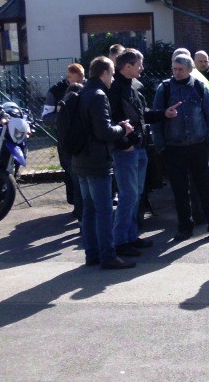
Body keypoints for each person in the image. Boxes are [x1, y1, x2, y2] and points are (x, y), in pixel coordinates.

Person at [108, 48, 180, 256]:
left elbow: (142, 115)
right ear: (128, 66)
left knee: (135, 194)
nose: (142, 68)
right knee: (128, 196)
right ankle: (120, 241)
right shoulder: (114, 89)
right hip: (127, 151)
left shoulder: (132, 86)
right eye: (139, 64)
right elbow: (109, 122)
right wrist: (124, 144)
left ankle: (131, 236)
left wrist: (164, 114)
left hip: (138, 148)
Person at [151, 54, 209, 241]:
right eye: (174, 69)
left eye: (180, 69)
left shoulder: (199, 87)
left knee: (206, 188)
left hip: (199, 146)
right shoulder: (164, 88)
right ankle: (185, 227)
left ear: (189, 70)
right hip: (173, 148)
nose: (176, 73)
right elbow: (156, 120)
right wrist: (161, 147)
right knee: (180, 191)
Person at [73, 56, 136, 269]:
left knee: (89, 210)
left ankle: (92, 254)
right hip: (97, 161)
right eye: (112, 74)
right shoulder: (99, 96)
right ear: (104, 73)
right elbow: (103, 132)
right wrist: (123, 129)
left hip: (81, 159)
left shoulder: (82, 92)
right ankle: (108, 256)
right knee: (104, 211)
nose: (113, 79)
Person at [43, 63, 86, 218]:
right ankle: (80, 210)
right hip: (66, 141)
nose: (80, 83)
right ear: (68, 77)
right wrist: (64, 117)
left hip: (84, 141)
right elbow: (46, 117)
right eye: (77, 80)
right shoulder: (55, 91)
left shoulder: (87, 87)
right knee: (74, 176)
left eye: (82, 80)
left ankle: (82, 210)